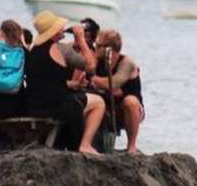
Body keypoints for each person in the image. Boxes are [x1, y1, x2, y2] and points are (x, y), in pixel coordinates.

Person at [25, 10, 105, 155]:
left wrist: (73, 85)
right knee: (99, 102)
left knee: (80, 98)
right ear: (54, 32)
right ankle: (85, 144)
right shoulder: (58, 48)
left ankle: (74, 140)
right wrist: (81, 39)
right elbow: (91, 67)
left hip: (36, 105)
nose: (63, 28)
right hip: (57, 106)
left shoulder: (34, 51)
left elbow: (47, 82)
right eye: (60, 27)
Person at [90, 29, 144, 154]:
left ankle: (131, 146)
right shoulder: (97, 60)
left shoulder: (127, 63)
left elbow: (113, 83)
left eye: (98, 45)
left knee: (130, 101)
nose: (95, 48)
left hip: (128, 110)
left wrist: (92, 78)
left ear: (109, 49)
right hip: (105, 106)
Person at [66, 17, 100, 91]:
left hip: (75, 91)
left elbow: (75, 83)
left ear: (92, 39)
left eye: (84, 36)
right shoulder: (70, 47)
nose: (78, 36)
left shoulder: (89, 54)